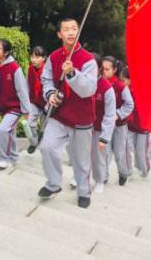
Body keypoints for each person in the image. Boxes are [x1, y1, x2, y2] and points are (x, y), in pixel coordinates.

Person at [38, 18, 98, 209]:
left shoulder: (88, 60)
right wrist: (50, 94)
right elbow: (46, 79)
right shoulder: (54, 57)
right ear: (59, 34)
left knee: (80, 160)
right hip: (60, 114)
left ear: (79, 33)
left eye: (74, 29)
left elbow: (88, 89)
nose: (71, 32)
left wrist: (72, 73)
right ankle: (54, 184)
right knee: (47, 147)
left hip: (81, 118)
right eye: (66, 29)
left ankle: (83, 191)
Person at [0, 39, 31, 169]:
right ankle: (14, 156)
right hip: (2, 107)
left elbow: (22, 90)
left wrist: (26, 110)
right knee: (10, 132)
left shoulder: (15, 68)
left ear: (6, 52)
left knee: (3, 130)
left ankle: (4, 158)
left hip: (14, 108)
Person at [103, 57, 134, 186]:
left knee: (119, 153)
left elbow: (129, 104)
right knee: (104, 152)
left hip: (119, 126)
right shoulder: (100, 83)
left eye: (107, 69)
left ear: (114, 70)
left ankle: (123, 173)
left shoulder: (120, 86)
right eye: (102, 69)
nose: (104, 71)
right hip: (105, 125)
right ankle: (103, 176)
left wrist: (118, 114)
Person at [90, 53, 116, 193]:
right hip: (84, 126)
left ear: (99, 68)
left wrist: (104, 137)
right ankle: (80, 177)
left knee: (99, 156)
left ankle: (99, 180)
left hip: (99, 128)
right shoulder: (83, 82)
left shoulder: (107, 88)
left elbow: (110, 115)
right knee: (80, 154)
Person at [26, 46, 48, 153]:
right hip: (34, 101)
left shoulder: (48, 70)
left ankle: (43, 144)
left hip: (47, 103)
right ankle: (34, 142)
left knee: (45, 128)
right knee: (29, 124)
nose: (33, 59)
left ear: (44, 58)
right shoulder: (30, 69)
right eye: (32, 56)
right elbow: (27, 86)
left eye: (37, 57)